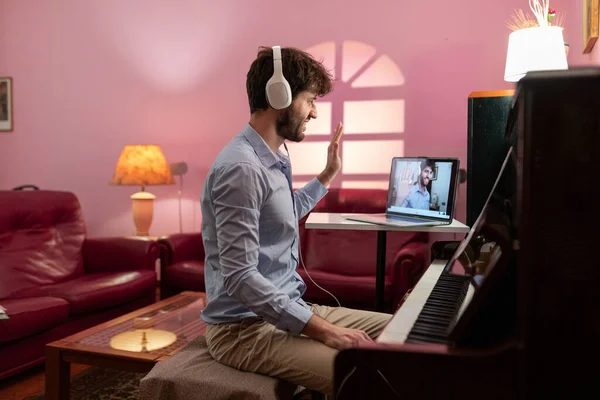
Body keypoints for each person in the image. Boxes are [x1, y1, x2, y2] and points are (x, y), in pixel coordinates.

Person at [199, 46, 392, 396]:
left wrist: (327, 176)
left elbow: (282, 213)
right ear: (279, 95)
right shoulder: (241, 168)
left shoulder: (274, 156)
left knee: (404, 332)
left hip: (288, 309)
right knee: (366, 377)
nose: (315, 112)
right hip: (243, 330)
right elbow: (240, 276)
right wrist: (324, 330)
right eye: (310, 99)